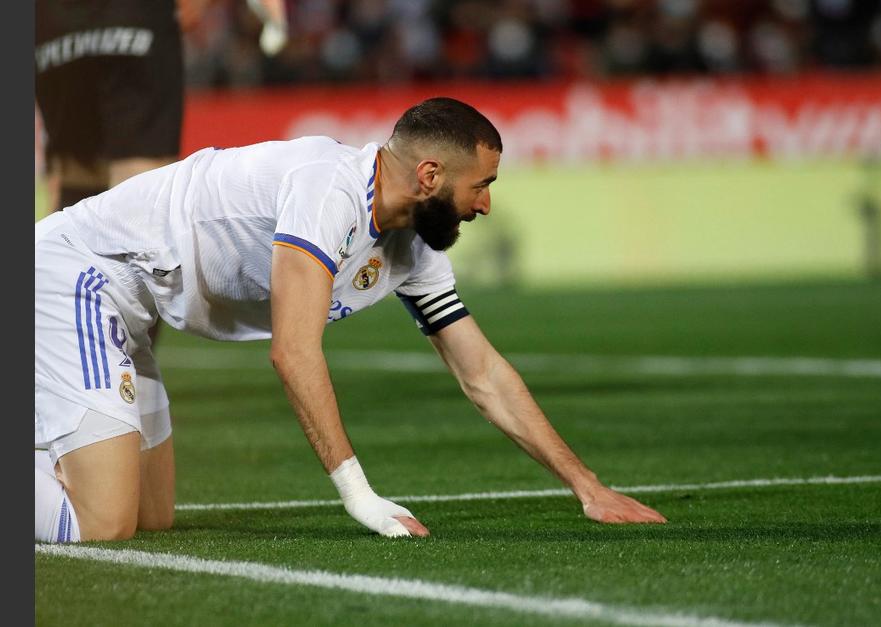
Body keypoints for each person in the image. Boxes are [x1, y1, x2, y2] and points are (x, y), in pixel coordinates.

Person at [34, 98, 667, 543]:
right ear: (429, 175)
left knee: (151, 517)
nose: (487, 204)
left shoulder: (413, 245)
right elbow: (293, 352)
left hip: (135, 309)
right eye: (482, 184)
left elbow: (483, 373)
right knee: (104, 525)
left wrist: (588, 487)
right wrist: (359, 496)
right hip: (79, 274)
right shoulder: (327, 189)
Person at [35, 0, 214, 214]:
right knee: (141, 191)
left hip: (57, 30)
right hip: (135, 22)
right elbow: (191, 10)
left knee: (73, 181)